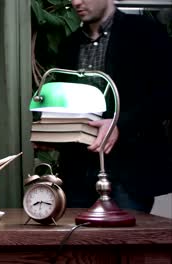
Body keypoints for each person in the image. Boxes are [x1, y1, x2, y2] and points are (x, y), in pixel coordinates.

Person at [52, 0, 172, 213]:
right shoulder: (69, 45)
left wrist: (119, 125)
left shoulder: (145, 31)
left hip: (129, 172)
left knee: (125, 243)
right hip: (78, 174)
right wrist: (52, 133)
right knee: (76, 243)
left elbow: (165, 95)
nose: (76, 2)